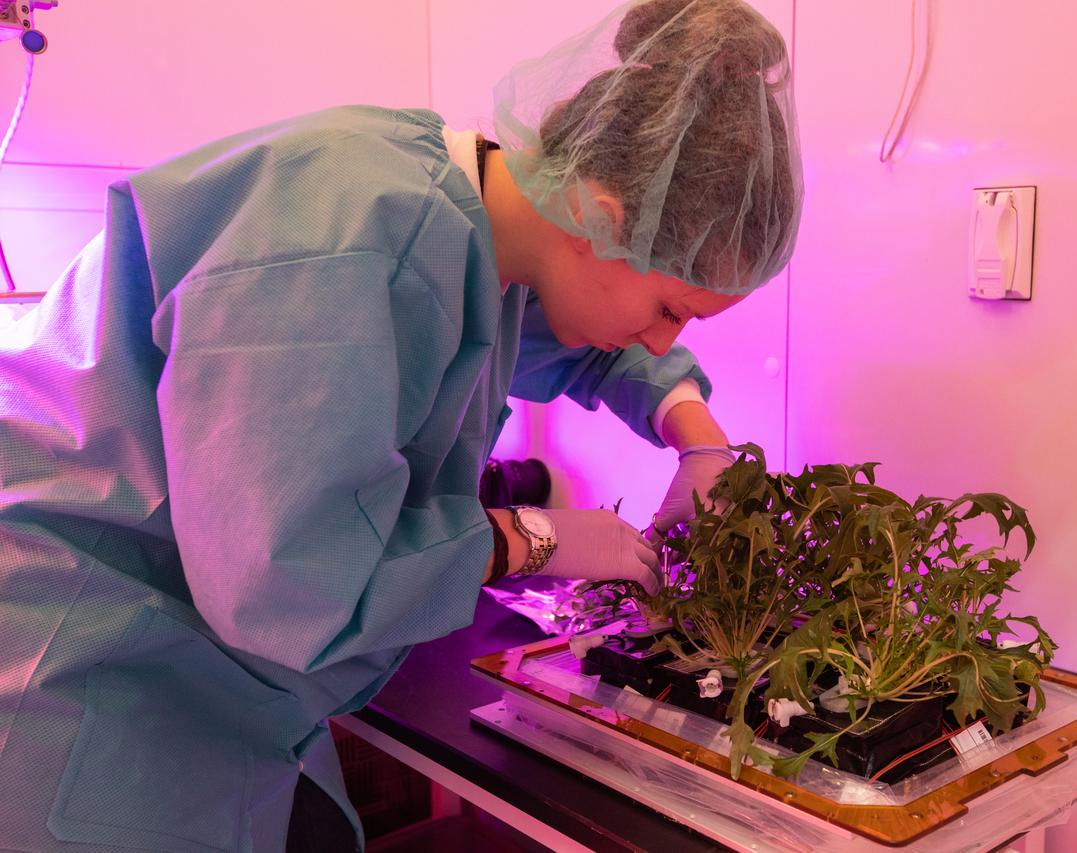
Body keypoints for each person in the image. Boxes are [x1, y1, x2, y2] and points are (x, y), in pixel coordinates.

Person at [0, 0, 802, 849]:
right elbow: (290, 583)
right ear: (605, 220)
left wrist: (699, 438)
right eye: (671, 307)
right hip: (83, 669)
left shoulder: (492, 238)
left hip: (210, 686)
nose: (662, 337)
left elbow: (590, 342)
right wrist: (532, 537)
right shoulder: (347, 238)